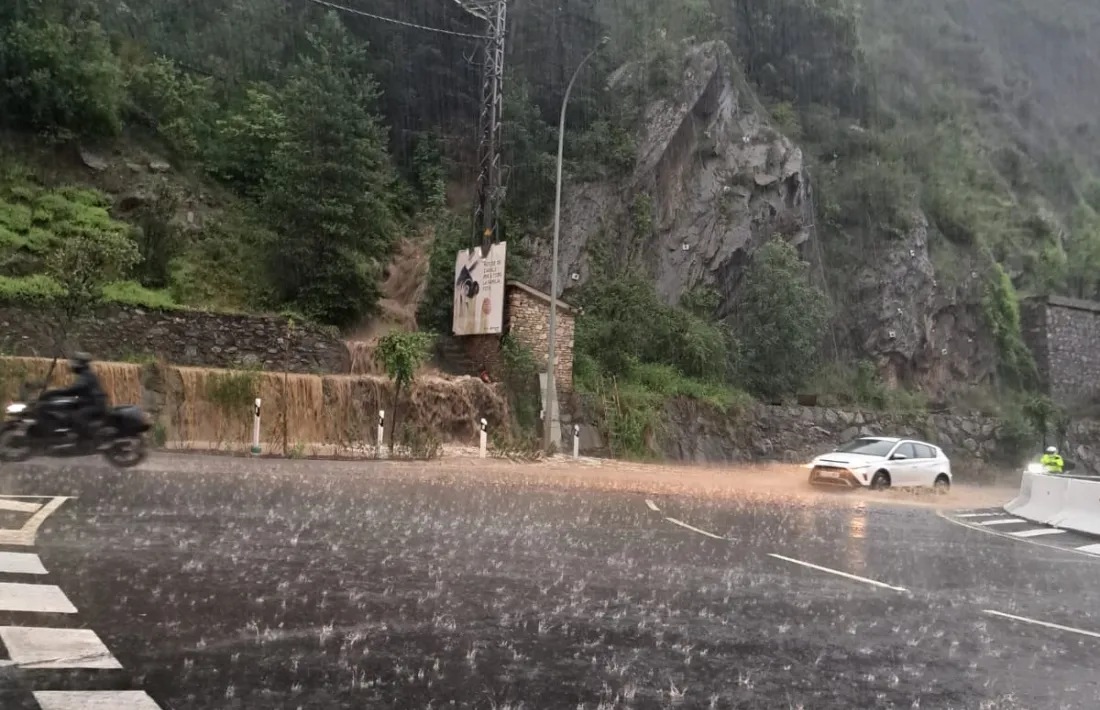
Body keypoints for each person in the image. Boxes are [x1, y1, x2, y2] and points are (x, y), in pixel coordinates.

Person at [40, 353, 107, 445]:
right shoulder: (85, 375)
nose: (72, 366)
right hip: (87, 402)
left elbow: (74, 390)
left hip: (94, 404)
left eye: (74, 363)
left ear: (79, 365)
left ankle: (86, 441)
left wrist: (53, 393)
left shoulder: (87, 376)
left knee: (76, 417)